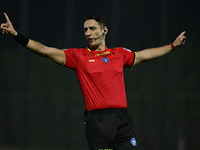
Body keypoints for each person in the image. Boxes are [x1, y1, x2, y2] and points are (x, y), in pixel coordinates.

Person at [1, 13, 186, 150]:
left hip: (122, 118)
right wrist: (16, 35)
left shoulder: (120, 53)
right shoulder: (78, 56)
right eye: (85, 30)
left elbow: (146, 54)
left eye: (92, 28)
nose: (88, 33)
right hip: (97, 121)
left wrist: (172, 46)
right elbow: (45, 50)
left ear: (104, 30)